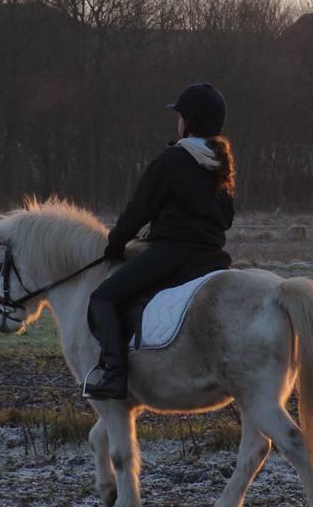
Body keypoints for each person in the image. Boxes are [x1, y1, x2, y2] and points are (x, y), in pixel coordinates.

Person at [83, 82, 235, 400]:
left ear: (188, 121)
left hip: (173, 255)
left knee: (103, 298)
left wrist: (115, 243)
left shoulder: (172, 160)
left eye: (179, 116)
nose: (176, 121)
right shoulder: (219, 162)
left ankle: (115, 376)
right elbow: (227, 218)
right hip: (213, 257)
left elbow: (139, 209)